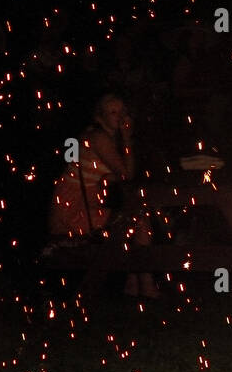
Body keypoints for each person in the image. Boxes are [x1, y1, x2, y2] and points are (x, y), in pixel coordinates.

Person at [49, 94, 159, 299]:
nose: (120, 117)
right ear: (100, 118)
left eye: (123, 111)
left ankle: (135, 282)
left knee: (134, 219)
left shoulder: (106, 137)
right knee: (138, 221)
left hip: (84, 206)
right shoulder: (99, 138)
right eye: (113, 112)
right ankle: (143, 282)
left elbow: (123, 177)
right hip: (72, 210)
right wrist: (127, 138)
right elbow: (127, 174)